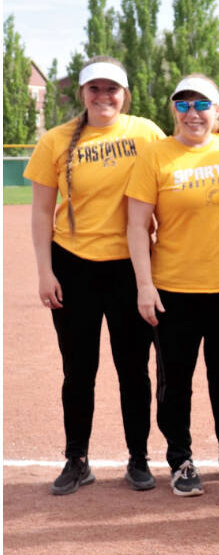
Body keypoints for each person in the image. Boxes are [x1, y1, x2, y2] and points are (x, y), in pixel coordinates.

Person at [26, 58, 166, 494]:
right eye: (95, 88)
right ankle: (76, 459)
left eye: (113, 89)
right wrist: (45, 271)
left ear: (126, 94)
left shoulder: (145, 133)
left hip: (130, 267)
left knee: (133, 371)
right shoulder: (56, 141)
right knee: (78, 370)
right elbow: (41, 212)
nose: (104, 96)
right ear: (82, 93)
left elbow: (186, 152)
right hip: (74, 267)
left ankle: (138, 458)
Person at [125, 74, 219, 496]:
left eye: (202, 104)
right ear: (173, 112)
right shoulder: (155, 156)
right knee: (175, 380)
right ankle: (180, 458)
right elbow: (136, 226)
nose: (192, 113)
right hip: (174, 289)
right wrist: (145, 286)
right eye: (182, 105)